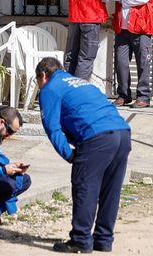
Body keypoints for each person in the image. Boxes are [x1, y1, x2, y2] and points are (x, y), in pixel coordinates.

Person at [35, 57, 131, 253]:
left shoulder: (50, 89)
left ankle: (80, 240)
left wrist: (69, 155)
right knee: (110, 191)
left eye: (37, 80)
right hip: (122, 133)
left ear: (43, 75)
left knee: (85, 187)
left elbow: (52, 129)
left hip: (97, 137)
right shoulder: (81, 83)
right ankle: (103, 240)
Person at [110, 0, 153, 109]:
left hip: (141, 29)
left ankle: (143, 97)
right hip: (122, 29)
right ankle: (124, 95)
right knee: (121, 62)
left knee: (143, 63)